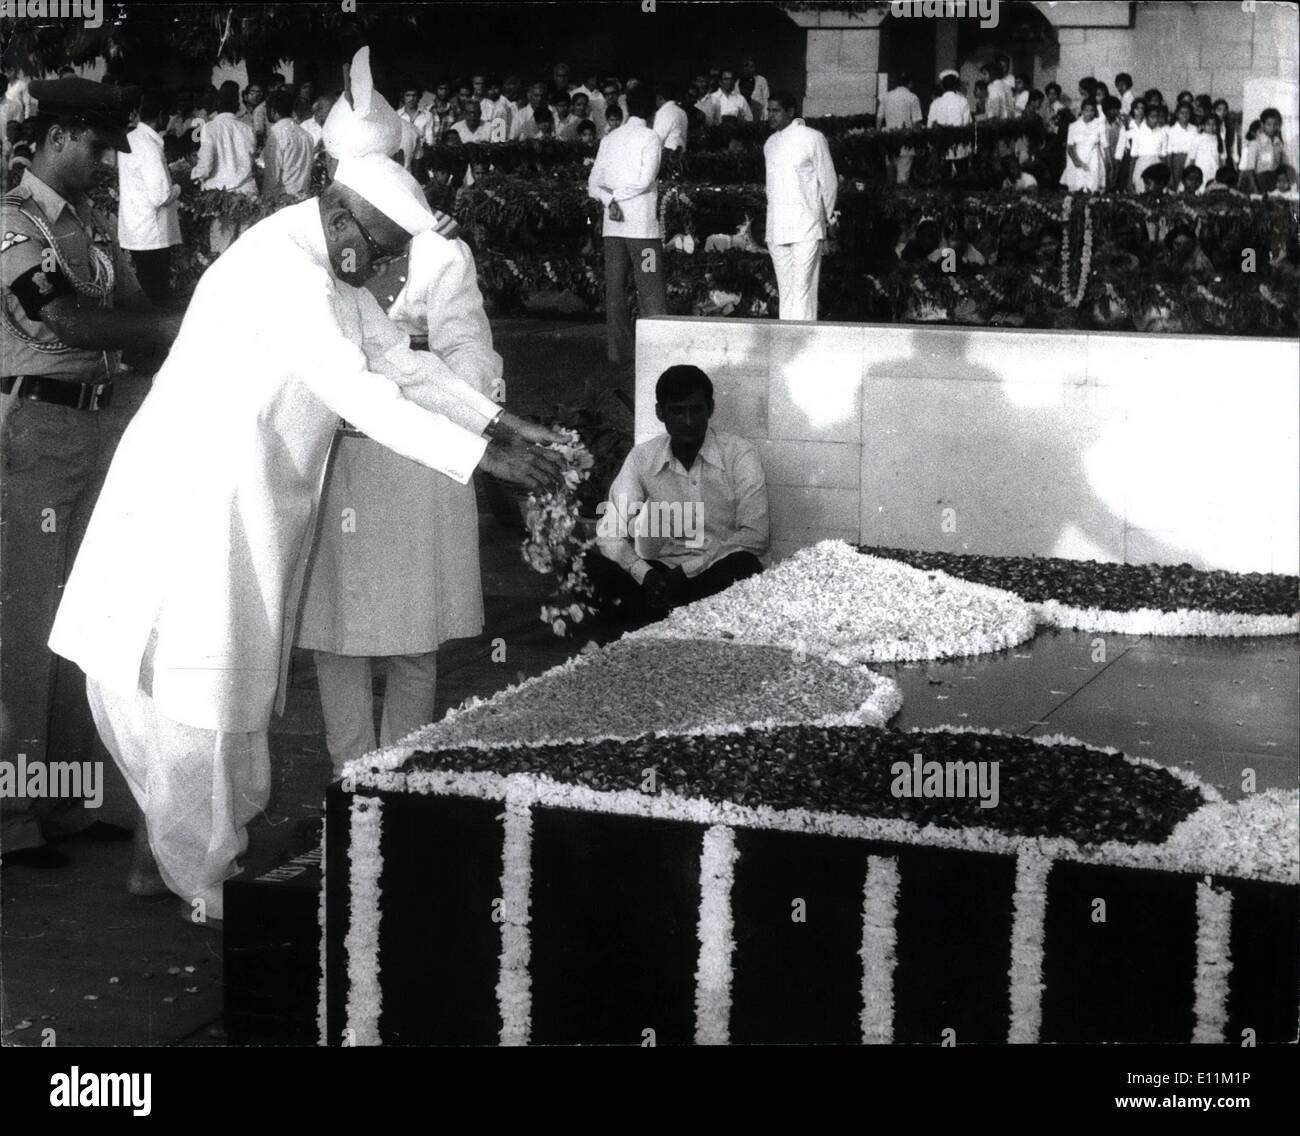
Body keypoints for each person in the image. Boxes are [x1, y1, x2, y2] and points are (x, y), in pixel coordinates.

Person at [47, 152, 567, 921]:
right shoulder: (282, 268)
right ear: (340, 213)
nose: (387, 263)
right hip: (197, 500)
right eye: (384, 247)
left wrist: (504, 422)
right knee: (202, 680)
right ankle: (205, 879)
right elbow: (357, 388)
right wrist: (484, 458)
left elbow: (400, 362)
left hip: (253, 505)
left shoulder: (328, 266)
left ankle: (189, 854)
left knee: (233, 680)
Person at [2, 78, 184, 870]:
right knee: (24, 624)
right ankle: (12, 817)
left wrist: (169, 329)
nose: (104, 162)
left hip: (97, 422)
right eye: (94, 146)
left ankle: (68, 802)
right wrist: (175, 323)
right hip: (34, 426)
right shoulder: (12, 222)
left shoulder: (88, 224)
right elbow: (59, 316)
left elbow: (132, 306)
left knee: (84, 616)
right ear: (55, 137)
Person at [589, 364, 768, 624]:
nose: (688, 421)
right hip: (666, 575)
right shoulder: (643, 458)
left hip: (718, 570)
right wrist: (645, 574)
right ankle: (672, 616)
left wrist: (688, 571)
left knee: (744, 566)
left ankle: (659, 617)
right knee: (590, 568)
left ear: (710, 409)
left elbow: (756, 536)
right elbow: (609, 530)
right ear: (660, 413)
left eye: (696, 410)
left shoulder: (740, 454)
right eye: (677, 411)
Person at [587, 82, 666, 366]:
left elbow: (592, 185)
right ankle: (656, 354)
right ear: (653, 108)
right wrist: (618, 199)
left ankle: (619, 354)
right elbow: (645, 180)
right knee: (651, 290)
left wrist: (610, 202)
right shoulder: (651, 137)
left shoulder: (609, 139)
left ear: (627, 107)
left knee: (616, 291)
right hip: (641, 230)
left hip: (613, 229)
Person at [764, 90, 836, 321]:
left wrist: (829, 218)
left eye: (775, 111)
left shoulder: (813, 138)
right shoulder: (770, 143)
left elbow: (829, 182)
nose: (770, 115)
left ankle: (803, 343)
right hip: (776, 227)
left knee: (803, 288)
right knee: (786, 290)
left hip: (806, 224)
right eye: (769, 110)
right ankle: (787, 341)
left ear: (790, 112)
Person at [117, 89, 181, 307]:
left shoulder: (130, 138)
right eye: (169, 116)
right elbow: (160, 195)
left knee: (144, 289)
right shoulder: (149, 146)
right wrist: (178, 188)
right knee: (157, 293)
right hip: (153, 232)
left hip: (136, 228)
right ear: (161, 115)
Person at [190, 81, 256, 195]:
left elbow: (206, 165)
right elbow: (251, 159)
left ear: (217, 105)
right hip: (246, 191)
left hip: (218, 193)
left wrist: (194, 174)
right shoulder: (247, 128)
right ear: (237, 106)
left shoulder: (209, 128)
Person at [262, 87, 314, 196]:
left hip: (283, 199)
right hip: (303, 196)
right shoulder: (306, 135)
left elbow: (272, 176)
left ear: (272, 111)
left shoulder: (276, 135)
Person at [879, 72, 922, 185]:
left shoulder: (886, 96)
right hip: (906, 144)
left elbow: (879, 119)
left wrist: (879, 137)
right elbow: (916, 123)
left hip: (889, 142)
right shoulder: (913, 98)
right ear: (910, 83)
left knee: (890, 180)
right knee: (902, 181)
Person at [927, 70, 972, 173]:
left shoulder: (935, 103)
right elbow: (967, 125)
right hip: (960, 150)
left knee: (944, 182)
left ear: (942, 86)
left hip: (941, 150)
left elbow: (930, 127)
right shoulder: (963, 101)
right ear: (956, 85)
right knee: (961, 181)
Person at [1239, 107, 1292, 193]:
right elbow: (1250, 171)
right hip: (1258, 182)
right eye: (1269, 124)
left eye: (1275, 124)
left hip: (1273, 183)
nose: (1272, 127)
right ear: (1262, 125)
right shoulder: (1255, 144)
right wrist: (1256, 191)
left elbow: (1280, 166)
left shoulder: (1278, 143)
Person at [1061, 99, 1105, 192]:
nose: (1089, 113)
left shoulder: (1099, 126)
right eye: (1086, 110)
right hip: (1077, 161)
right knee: (1077, 189)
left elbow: (1101, 146)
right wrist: (1079, 163)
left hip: (1093, 160)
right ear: (1082, 111)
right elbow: (1070, 148)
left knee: (1092, 189)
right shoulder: (1073, 126)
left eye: (1092, 110)